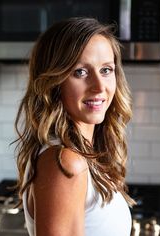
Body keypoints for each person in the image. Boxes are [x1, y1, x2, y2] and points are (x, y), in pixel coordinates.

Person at [14, 17, 135, 236]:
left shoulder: (81, 155)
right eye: (80, 72)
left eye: (106, 70)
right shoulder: (67, 163)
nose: (99, 87)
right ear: (54, 82)